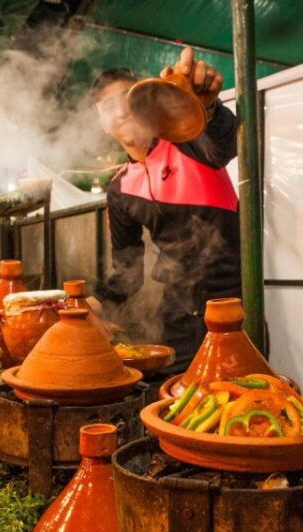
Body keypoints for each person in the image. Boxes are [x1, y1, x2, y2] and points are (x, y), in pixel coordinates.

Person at [92, 47, 241, 365]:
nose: (121, 111)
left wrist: (208, 107)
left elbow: (224, 143)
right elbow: (127, 273)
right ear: (101, 121)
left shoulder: (190, 143)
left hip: (232, 305)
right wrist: (94, 304)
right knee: (174, 402)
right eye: (108, 105)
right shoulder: (119, 188)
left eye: (127, 97)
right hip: (176, 314)